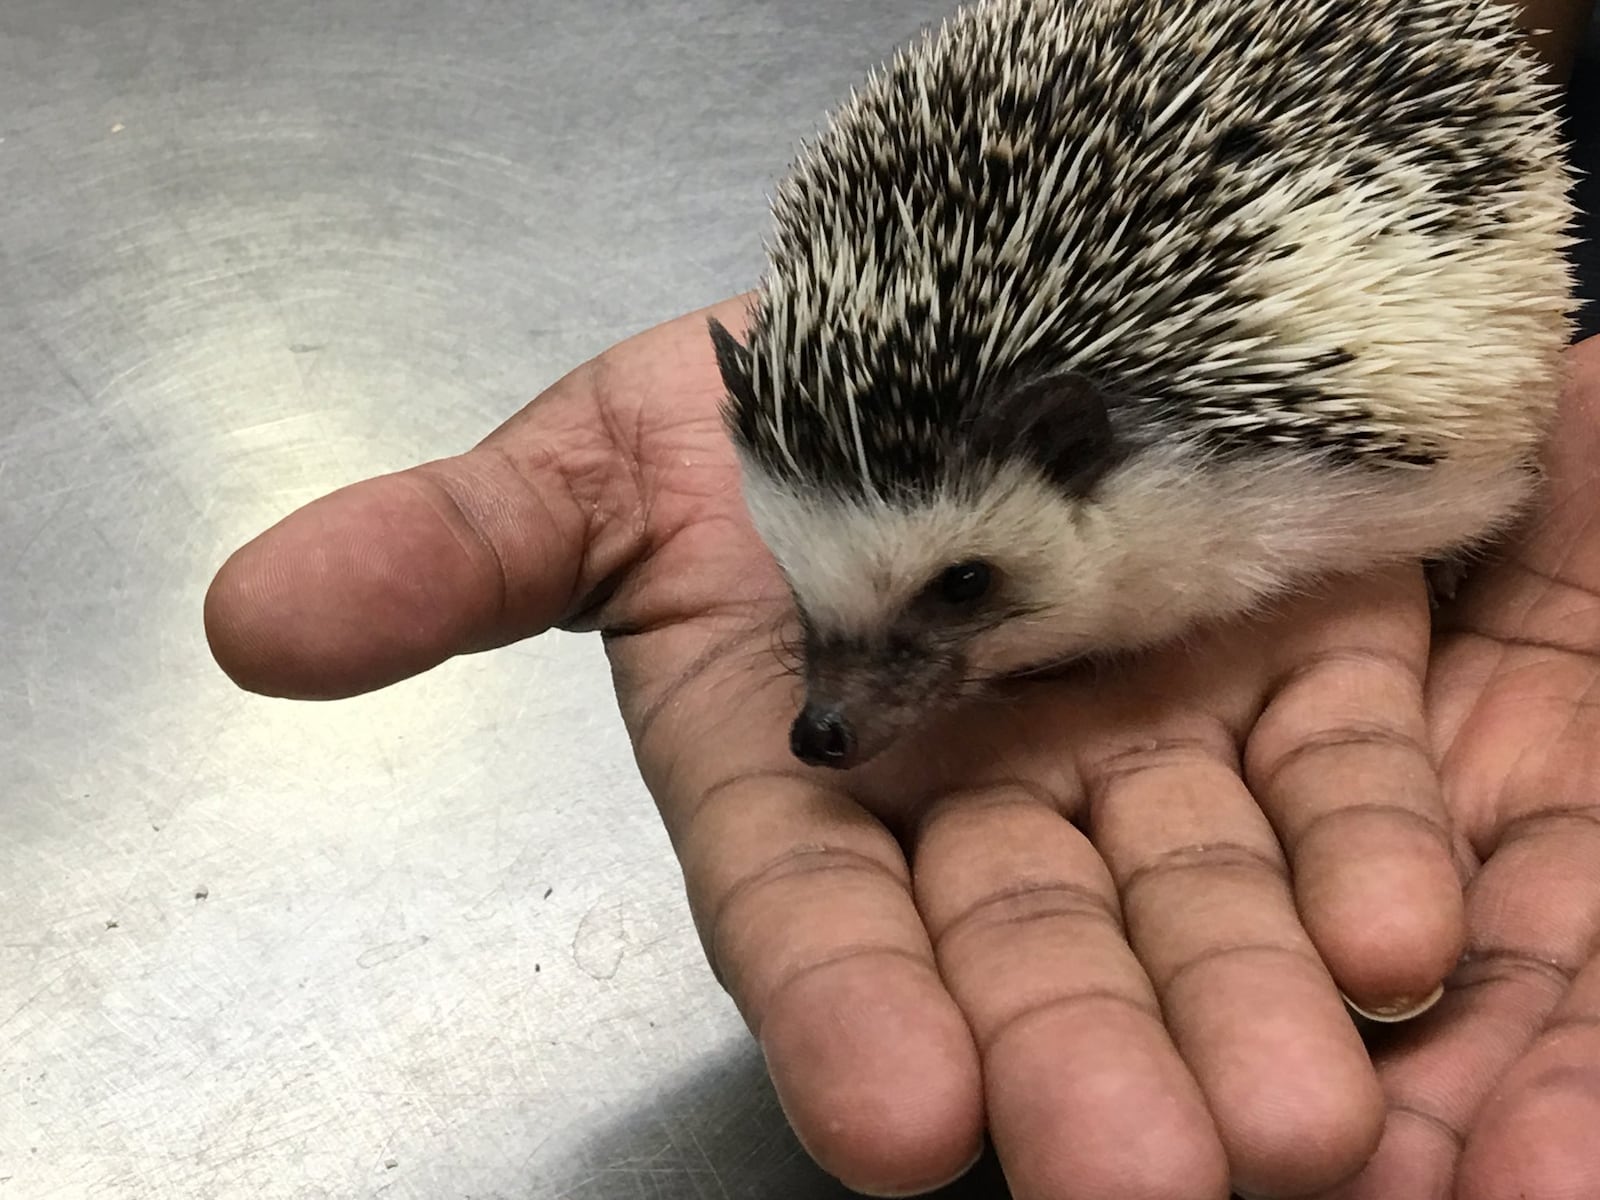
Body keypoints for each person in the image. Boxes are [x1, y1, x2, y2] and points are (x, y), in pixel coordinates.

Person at [205, 296, 1600, 1200]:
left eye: (962, 592)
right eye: (815, 604)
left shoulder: (1261, 494)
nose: (830, 712)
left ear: (1086, 463)